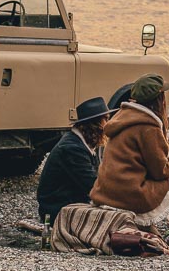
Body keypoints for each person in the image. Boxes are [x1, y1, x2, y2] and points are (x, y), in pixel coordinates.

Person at [90, 74, 169, 233]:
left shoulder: (121, 119)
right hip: (131, 196)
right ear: (159, 100)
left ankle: (152, 228)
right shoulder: (148, 127)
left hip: (106, 194)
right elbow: (160, 171)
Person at [36, 96, 114, 225]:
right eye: (106, 119)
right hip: (56, 210)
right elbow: (93, 185)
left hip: (68, 203)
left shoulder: (79, 143)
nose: (109, 123)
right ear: (95, 124)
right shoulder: (72, 148)